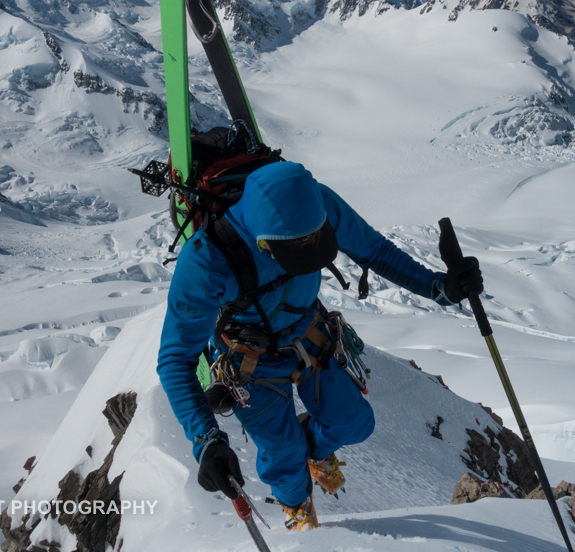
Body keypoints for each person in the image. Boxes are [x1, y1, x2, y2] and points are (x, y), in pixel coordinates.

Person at [156, 160, 483, 530]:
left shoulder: (315, 204)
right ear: (264, 242)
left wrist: (440, 288)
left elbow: (374, 250)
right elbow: (175, 359)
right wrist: (207, 441)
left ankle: (308, 444)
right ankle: (300, 519)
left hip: (310, 335)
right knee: (284, 458)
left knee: (355, 423)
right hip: (248, 362)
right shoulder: (206, 260)